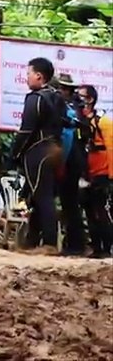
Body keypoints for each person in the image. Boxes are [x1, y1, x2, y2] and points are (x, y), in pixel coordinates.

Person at [9, 57, 66, 255]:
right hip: (56, 148)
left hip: (39, 152)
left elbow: (26, 131)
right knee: (38, 195)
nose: (27, 78)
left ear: (39, 76)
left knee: (43, 197)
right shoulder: (57, 96)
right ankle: (31, 241)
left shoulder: (36, 98)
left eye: (28, 74)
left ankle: (49, 243)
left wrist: (15, 153)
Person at [53, 73, 87, 256]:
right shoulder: (76, 107)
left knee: (70, 203)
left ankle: (75, 245)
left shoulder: (69, 111)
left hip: (71, 162)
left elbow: (66, 136)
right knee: (69, 204)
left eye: (62, 88)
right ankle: (73, 243)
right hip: (73, 160)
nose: (59, 91)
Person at [76, 84, 111, 259]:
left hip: (101, 172)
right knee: (88, 210)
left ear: (90, 99)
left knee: (100, 210)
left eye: (81, 96)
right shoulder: (79, 121)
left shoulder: (102, 121)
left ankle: (106, 248)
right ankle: (96, 247)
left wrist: (110, 176)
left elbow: (111, 148)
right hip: (86, 172)